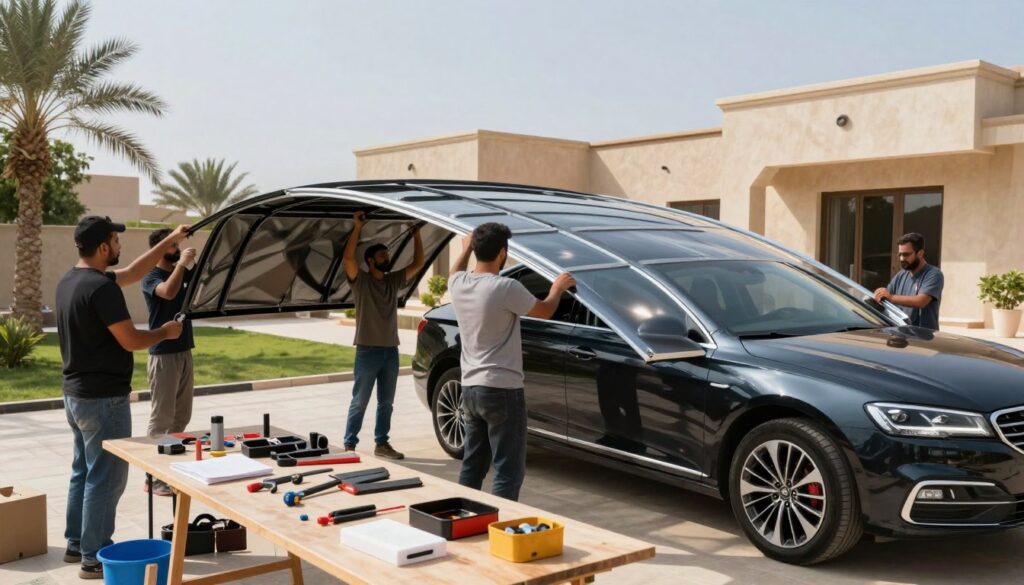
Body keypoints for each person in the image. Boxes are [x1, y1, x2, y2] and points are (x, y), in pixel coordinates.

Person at [56, 216, 188, 580]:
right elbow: (130, 339)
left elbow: (131, 272)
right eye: (115, 240)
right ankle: (93, 557)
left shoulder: (72, 280)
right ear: (102, 247)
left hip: (76, 396)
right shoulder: (102, 289)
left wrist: (170, 241)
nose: (119, 247)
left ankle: (75, 543)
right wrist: (165, 332)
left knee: (83, 471)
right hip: (104, 400)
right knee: (107, 478)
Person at [448, 223, 576, 501]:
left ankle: (462, 519)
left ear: (475, 249)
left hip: (469, 389)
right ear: (503, 253)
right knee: (508, 470)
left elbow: (454, 271)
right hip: (502, 390)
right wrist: (557, 288)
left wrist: (466, 247)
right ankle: (501, 531)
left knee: (473, 464)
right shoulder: (505, 287)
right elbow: (544, 311)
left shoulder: (458, 284)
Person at [341, 211, 425, 459]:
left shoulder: (392, 281)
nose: (387, 257)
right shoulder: (361, 281)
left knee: (386, 403)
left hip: (391, 351)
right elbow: (348, 259)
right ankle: (349, 445)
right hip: (367, 350)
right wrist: (357, 227)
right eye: (381, 255)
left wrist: (416, 234)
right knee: (360, 401)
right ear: (370, 261)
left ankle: (382, 444)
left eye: (386, 254)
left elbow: (418, 264)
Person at [141, 228, 198, 496]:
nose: (178, 249)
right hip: (163, 354)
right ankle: (152, 477)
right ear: (162, 247)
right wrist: (182, 266)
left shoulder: (180, 272)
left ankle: (169, 468)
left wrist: (193, 268)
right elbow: (167, 292)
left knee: (181, 416)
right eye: (174, 245)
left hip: (185, 350)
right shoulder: (151, 276)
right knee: (161, 418)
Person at [874, 232, 944, 330]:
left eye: (906, 254)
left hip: (924, 338)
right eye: (900, 254)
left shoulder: (933, 274)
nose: (902, 258)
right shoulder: (901, 275)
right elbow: (886, 297)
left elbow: (921, 301)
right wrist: (880, 294)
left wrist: (891, 297)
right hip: (901, 334)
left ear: (920, 253)